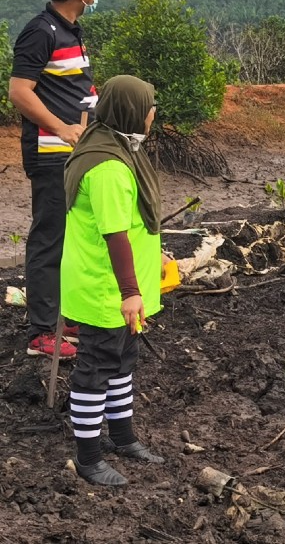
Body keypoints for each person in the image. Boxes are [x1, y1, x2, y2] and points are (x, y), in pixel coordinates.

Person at [62, 75, 164, 485]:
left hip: (121, 285)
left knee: (122, 361)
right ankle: (88, 458)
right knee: (95, 367)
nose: (153, 114)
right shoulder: (107, 166)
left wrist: (157, 254)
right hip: (106, 287)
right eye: (149, 107)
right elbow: (114, 232)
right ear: (132, 112)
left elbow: (136, 221)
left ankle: (122, 437)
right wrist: (131, 292)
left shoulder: (121, 147)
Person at [9, 0, 110, 359]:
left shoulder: (72, 30)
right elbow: (19, 92)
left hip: (74, 153)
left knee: (70, 237)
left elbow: (70, 85)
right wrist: (62, 127)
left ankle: (59, 316)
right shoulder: (40, 31)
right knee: (49, 238)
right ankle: (40, 333)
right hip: (51, 153)